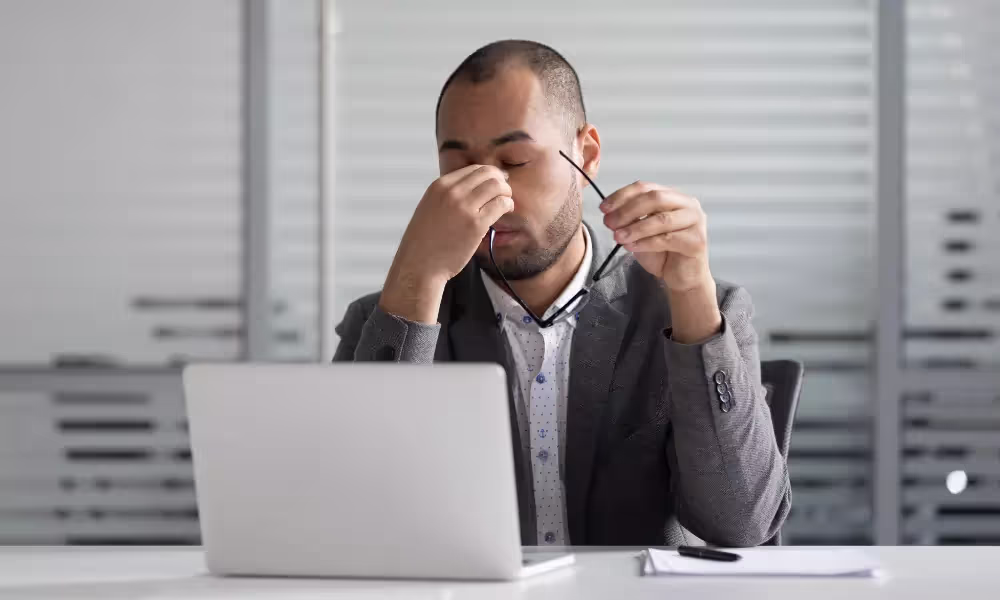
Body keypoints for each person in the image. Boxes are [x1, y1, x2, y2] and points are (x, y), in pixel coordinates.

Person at [334, 40, 790, 547]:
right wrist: (416, 279)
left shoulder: (696, 309)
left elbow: (741, 525)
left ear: (586, 155)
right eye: (460, 168)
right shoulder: (390, 317)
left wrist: (691, 301)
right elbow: (351, 519)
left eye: (515, 160)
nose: (491, 193)